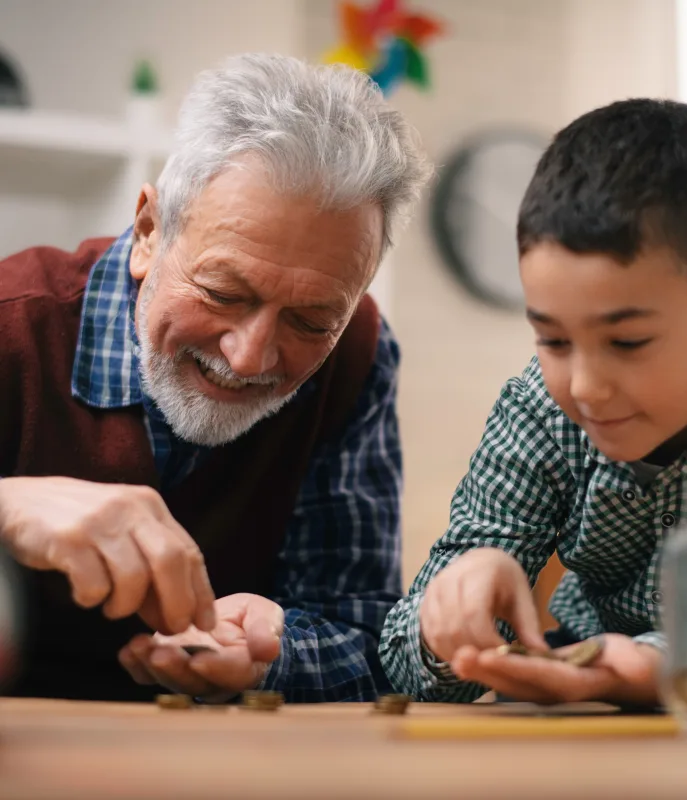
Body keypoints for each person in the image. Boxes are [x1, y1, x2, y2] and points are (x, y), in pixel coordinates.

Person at [0, 53, 431, 703]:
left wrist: (274, 656)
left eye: (311, 321)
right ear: (148, 233)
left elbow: (368, 632)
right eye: (224, 292)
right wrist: (9, 508)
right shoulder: (14, 326)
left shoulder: (357, 355)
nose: (252, 356)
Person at [379, 98, 687, 705]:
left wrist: (663, 665)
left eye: (627, 341)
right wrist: (452, 613)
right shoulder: (538, 410)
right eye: (552, 338)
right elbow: (401, 658)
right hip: (592, 714)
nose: (584, 387)